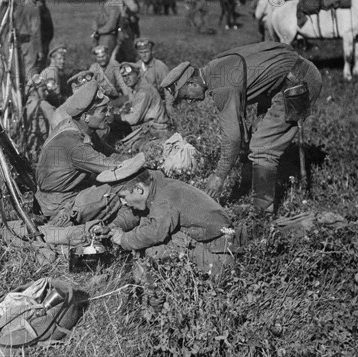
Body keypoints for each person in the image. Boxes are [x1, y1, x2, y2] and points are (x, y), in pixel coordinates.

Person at [160, 41, 322, 215]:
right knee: (256, 132)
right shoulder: (215, 64)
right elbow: (278, 47)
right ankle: (251, 188)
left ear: (192, 84)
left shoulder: (222, 86)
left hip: (298, 83)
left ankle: (262, 213)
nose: (190, 101)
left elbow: (232, 137)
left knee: (262, 146)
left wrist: (219, 176)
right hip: (283, 80)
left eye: (186, 97)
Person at [35, 80, 143, 224]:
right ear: (86, 116)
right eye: (103, 111)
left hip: (63, 193)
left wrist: (131, 158)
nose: (108, 114)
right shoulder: (74, 144)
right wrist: (144, 162)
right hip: (59, 205)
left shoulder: (78, 127)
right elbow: (112, 167)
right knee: (123, 186)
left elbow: (109, 153)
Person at [101, 168, 244, 276]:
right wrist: (113, 226)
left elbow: (155, 232)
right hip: (220, 243)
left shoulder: (164, 198)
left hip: (222, 255)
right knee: (146, 233)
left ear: (138, 189)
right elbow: (137, 212)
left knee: (154, 251)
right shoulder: (157, 186)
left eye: (123, 197)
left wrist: (124, 239)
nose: (123, 202)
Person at [111, 62, 171, 147]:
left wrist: (114, 117)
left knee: (126, 146)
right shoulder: (136, 89)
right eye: (124, 76)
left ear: (138, 74)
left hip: (158, 131)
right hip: (150, 128)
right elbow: (128, 100)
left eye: (130, 75)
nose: (127, 78)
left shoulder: (143, 91)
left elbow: (133, 119)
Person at [15, 0, 54, 81]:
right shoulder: (34, 9)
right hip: (30, 45)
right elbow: (35, 32)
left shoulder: (20, 7)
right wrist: (39, 50)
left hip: (19, 44)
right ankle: (31, 95)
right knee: (31, 73)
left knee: (19, 72)